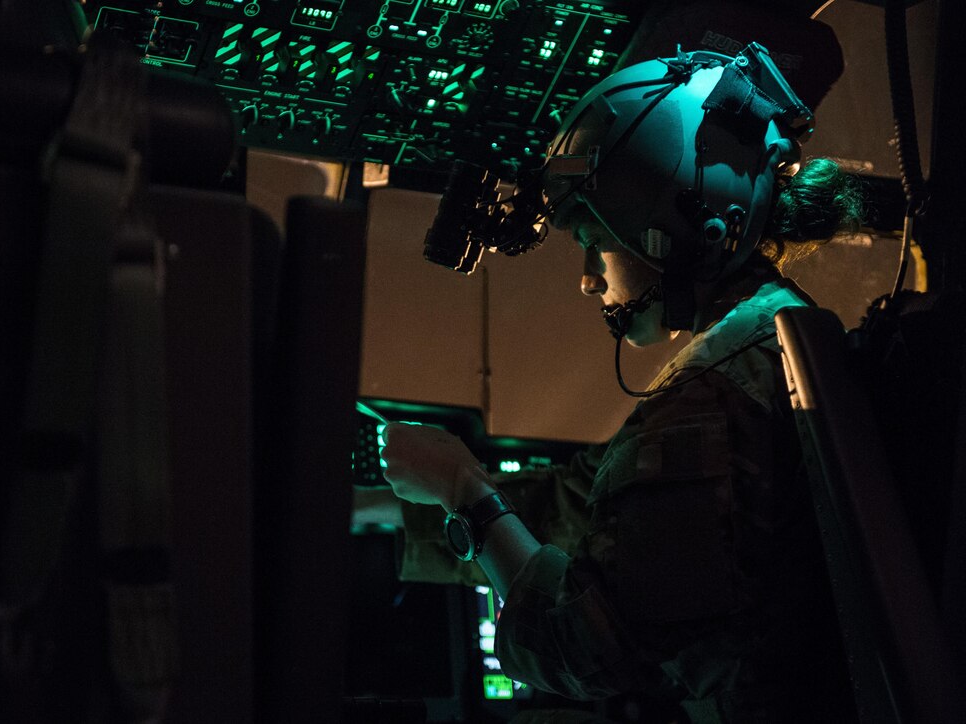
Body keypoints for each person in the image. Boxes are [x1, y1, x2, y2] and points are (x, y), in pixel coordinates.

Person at [356, 44, 864, 723]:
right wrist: (405, 507)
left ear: (678, 235)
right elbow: (596, 503)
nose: (589, 278)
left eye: (596, 243)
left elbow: (580, 649)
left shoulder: (710, 395)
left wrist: (464, 493)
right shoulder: (778, 335)